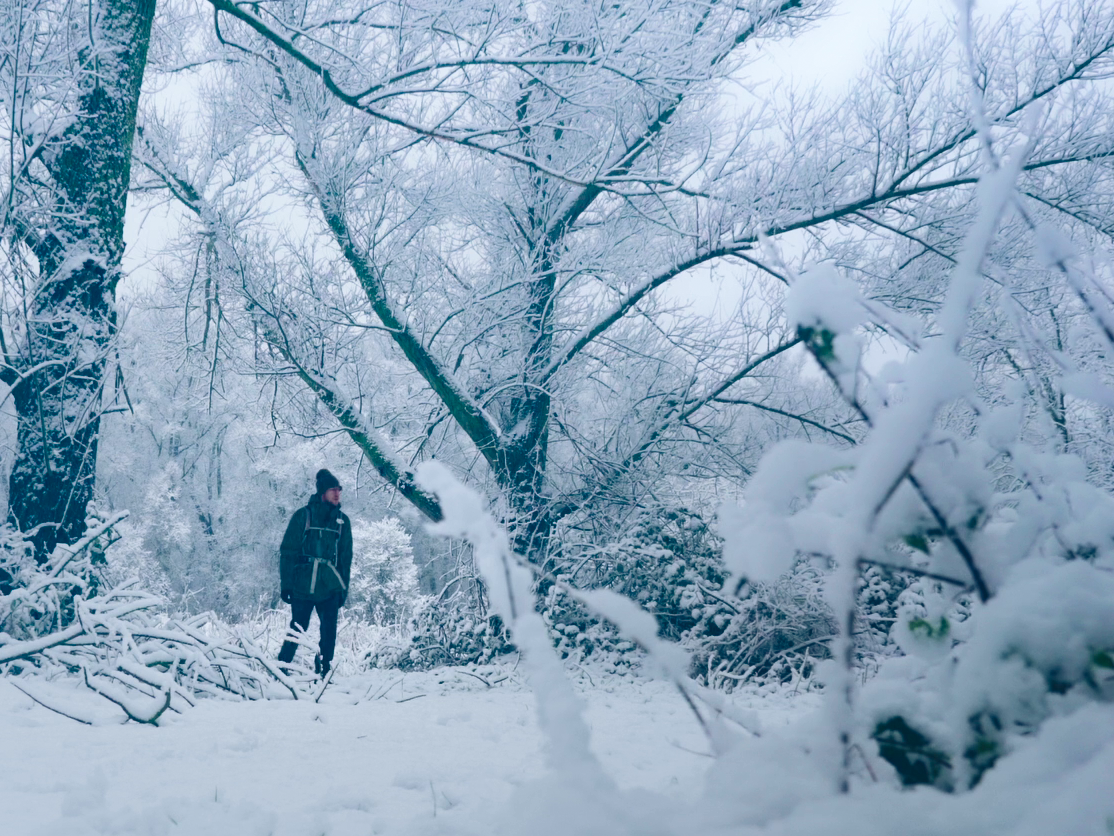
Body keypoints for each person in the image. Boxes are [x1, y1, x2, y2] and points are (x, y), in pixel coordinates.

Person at [278, 469, 353, 677]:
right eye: (332, 490)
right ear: (322, 493)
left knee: (329, 631)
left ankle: (323, 670)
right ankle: (280, 669)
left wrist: (343, 589)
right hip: (303, 584)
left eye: (339, 489)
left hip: (330, 585)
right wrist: (286, 584)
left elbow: (345, 558)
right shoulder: (303, 516)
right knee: (298, 628)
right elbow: (288, 552)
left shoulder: (343, 521)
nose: (337, 494)